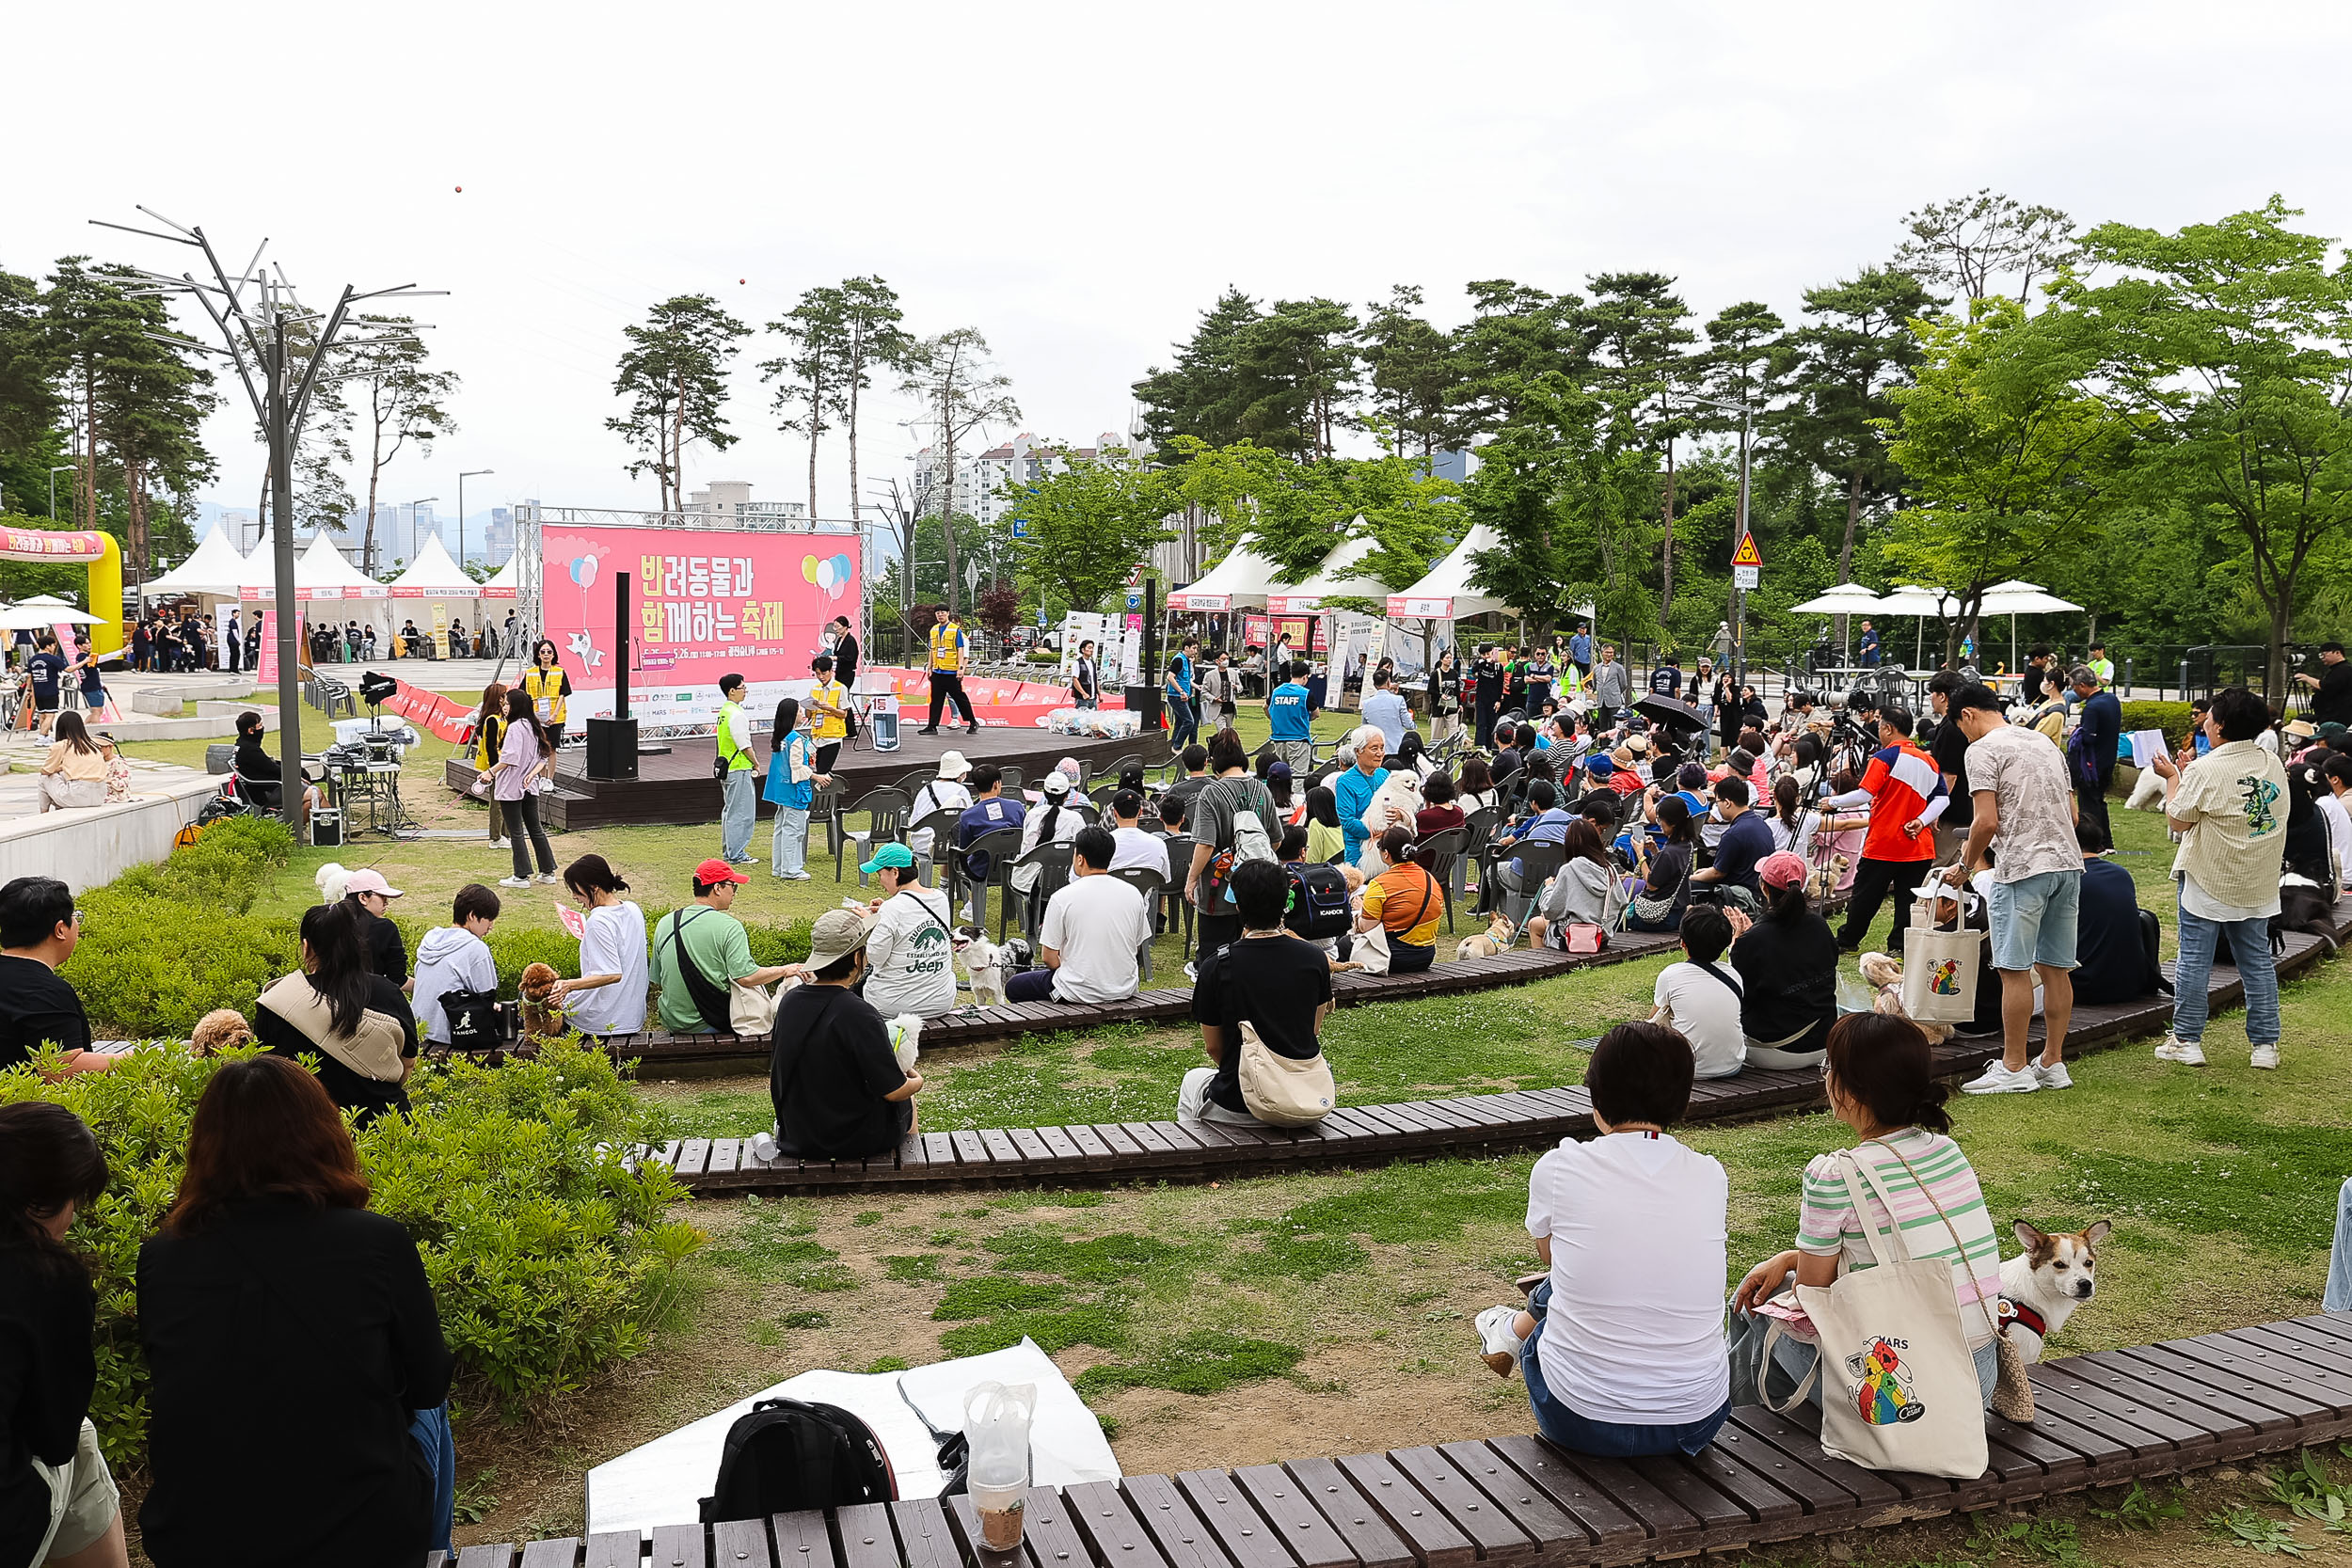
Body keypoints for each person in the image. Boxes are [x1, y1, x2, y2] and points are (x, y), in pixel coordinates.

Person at [136, 1055, 455, 1568]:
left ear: (206, 1147)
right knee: (431, 1412)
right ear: (323, 1132)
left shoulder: (162, 1255)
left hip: (202, 1538)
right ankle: (432, 1556)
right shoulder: (375, 1241)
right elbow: (428, 1383)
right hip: (359, 1534)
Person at [1470, 1021, 1729, 1456]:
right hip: (1696, 1418)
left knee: (1574, 1278)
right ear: (1683, 1098)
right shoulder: (1710, 1174)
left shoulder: (1559, 1167)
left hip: (1582, 1418)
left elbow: (1554, 1260)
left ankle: (1513, 1331)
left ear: (1595, 1095)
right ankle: (1511, 1331)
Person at [1730, 1014, 2005, 1412]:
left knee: (1758, 1298)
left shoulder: (1836, 1174)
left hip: (1910, 1396)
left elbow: (1811, 1296)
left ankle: (1730, 1422)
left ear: (1851, 1091)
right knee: (1774, 1302)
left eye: (1829, 1067)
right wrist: (1789, 1257)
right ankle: (1757, 1418)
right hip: (1976, 1381)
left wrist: (1789, 1266)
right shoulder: (1947, 1151)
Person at [0, 1101, 126, 1568]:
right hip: (9, 1522)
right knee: (82, 1438)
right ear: (38, 1202)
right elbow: (55, 1438)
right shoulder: (46, 1279)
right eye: (75, 1200)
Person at [1946, 682, 2083, 1095]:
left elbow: (1985, 822)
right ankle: (2053, 1062)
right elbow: (2074, 816)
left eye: (1959, 727)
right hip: (2067, 864)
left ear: (1967, 714)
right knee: (2057, 969)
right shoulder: (2045, 743)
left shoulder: (1982, 749)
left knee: (2014, 970)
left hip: (2023, 869)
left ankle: (2014, 1066)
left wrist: (1965, 866)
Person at [2146, 685, 2289, 1070]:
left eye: (2209, 715)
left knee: (2195, 959)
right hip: (2257, 876)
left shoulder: (2207, 768)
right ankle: (2265, 1046)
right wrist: (2187, 775)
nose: (2204, 719)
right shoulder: (2271, 762)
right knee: (2256, 961)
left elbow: (2178, 818)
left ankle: (2187, 1040)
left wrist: (2174, 777)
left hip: (2209, 874)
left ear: (2220, 725)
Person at [1180, 858, 1335, 1125]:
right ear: (1285, 903)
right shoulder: (1314, 958)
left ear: (1238, 905)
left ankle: (1195, 1154)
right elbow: (1313, 1029)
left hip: (1239, 1103)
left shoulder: (1217, 965)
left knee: (1192, 1081)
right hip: (1304, 1097)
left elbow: (1214, 1046)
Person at [768, 910, 924, 1158]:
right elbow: (893, 1090)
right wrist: (915, 1080)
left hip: (797, 1135)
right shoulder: (859, 1013)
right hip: (851, 1140)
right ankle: (911, 1166)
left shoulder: (789, 1002)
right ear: (855, 958)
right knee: (908, 1100)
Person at [255, 901, 418, 1125]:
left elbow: (267, 1072)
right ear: (357, 944)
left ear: (306, 947)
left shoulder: (276, 1001)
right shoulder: (388, 991)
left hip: (308, 1130)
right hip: (388, 1126)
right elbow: (407, 1063)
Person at [1824, 706, 1947, 956]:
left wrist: (1832, 802)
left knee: (1865, 896)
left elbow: (1864, 794)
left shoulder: (1883, 757)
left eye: (1880, 726)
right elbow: (1943, 799)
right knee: (1907, 901)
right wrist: (1922, 821)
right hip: (1919, 844)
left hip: (1884, 843)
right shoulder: (1929, 761)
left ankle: (1848, 941)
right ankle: (1899, 947)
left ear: (1888, 728)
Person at [649, 861, 805, 1034]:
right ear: (717, 888)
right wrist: (784, 970)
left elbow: (657, 978)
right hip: (709, 1022)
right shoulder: (729, 926)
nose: (734, 893)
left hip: (672, 1021)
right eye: (733, 886)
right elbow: (746, 977)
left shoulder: (665, 922)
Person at [1006, 828, 1152, 1002]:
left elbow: (1048, 957)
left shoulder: (1062, 897)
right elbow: (1137, 945)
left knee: (1014, 986)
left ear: (1080, 859)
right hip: (1125, 987)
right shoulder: (1133, 893)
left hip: (1076, 990)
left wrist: (1069, 970)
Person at [1730, 853, 1837, 1068]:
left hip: (1775, 1050)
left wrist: (1735, 945)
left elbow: (1736, 995)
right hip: (1824, 1042)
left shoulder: (1752, 940)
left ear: (1764, 888)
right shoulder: (1820, 926)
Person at [0, 877, 114, 1081]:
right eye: (75, 916)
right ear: (60, 929)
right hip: (18, 1110)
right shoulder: (46, 992)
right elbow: (61, 1069)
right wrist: (139, 1057)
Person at [1185, 728, 1283, 957]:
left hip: (1218, 892)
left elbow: (1205, 845)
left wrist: (1191, 879)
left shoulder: (1211, 793)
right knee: (1255, 957)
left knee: (1216, 957)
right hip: (1258, 892)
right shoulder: (1263, 790)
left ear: (1213, 762)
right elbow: (1276, 841)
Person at [547, 855, 647, 1037]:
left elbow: (612, 974)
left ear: (594, 888)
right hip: (632, 1018)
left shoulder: (599, 920)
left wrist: (568, 985)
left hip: (599, 1021)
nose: (574, 897)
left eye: (576, 891)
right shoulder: (633, 909)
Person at [856, 844, 958, 1018]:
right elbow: (910, 918)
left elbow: (875, 957)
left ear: (895, 872)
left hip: (894, 1005)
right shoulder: (940, 898)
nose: (880, 881)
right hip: (940, 1001)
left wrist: (870, 922)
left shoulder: (892, 908)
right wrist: (884, 914)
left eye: (880, 874)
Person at [1647, 905, 1745, 1079]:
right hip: (1733, 1065)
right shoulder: (1734, 975)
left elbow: (1652, 1024)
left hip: (1687, 1069)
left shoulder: (1671, 975)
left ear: (1683, 943)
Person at [408, 884, 501, 1048]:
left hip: (417, 1030)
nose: (491, 926)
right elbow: (487, 996)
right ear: (472, 915)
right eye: (489, 919)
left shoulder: (431, 939)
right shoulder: (475, 948)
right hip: (452, 1036)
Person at [485, 688, 557, 888]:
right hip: (529, 787)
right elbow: (544, 756)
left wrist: (489, 773)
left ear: (515, 706)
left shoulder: (516, 727)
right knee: (535, 829)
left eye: (507, 704)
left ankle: (521, 876)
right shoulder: (534, 726)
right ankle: (547, 871)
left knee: (516, 831)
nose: (504, 707)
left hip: (512, 786)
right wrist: (533, 775)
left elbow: (509, 758)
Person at [1357, 826, 1442, 973]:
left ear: (1386, 854)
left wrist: (1359, 909)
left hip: (1392, 956)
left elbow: (1366, 927)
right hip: (1426, 955)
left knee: (1345, 945)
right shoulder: (1430, 879)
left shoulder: (1379, 884)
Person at [1524, 819, 1617, 950]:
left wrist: (1549, 887)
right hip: (1601, 937)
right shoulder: (1609, 869)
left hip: (1571, 938)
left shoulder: (1569, 869)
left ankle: (1543, 964)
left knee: (1534, 924)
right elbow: (1621, 902)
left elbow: (1550, 910)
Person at [1010, 771, 1087, 912]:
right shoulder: (1076, 819)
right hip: (1064, 881)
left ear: (1044, 794)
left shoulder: (1032, 815)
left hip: (1028, 881)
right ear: (1067, 796)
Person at [1692, 775, 1772, 903]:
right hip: (1759, 889)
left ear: (1727, 803)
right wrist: (1706, 871)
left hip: (1739, 894)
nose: (1717, 808)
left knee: (1687, 887)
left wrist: (1691, 878)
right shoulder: (1761, 824)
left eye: (1717, 804)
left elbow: (1717, 874)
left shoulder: (1733, 834)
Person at [953, 765, 1026, 900]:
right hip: (1013, 866)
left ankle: (971, 904)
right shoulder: (1017, 807)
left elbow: (965, 849)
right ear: (996, 784)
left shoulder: (968, 816)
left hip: (980, 870)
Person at [2069, 663, 2122, 848]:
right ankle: (2106, 842)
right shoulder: (2111, 699)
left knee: (2089, 805)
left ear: (2082, 685)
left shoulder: (2092, 708)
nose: (2073, 691)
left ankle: (2094, 845)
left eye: (2074, 687)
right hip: (2108, 759)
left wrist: (2077, 733)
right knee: (2099, 802)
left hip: (2091, 765)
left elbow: (2089, 738)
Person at [765, 695, 818, 880]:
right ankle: (791, 869)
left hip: (781, 790)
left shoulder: (781, 737)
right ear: (792, 715)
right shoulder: (795, 739)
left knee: (782, 828)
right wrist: (815, 775)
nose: (803, 713)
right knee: (794, 830)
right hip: (794, 790)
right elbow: (797, 767)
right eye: (800, 710)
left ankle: (780, 867)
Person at [1331, 726, 1396, 867]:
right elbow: (1348, 821)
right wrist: (1376, 832)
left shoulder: (1383, 774)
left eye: (1382, 748)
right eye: (1374, 748)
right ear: (1358, 751)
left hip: (1387, 850)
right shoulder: (1345, 781)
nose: (1380, 753)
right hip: (1360, 853)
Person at [714, 672, 760, 864]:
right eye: (742, 687)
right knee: (741, 813)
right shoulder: (736, 714)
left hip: (727, 768)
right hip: (738, 767)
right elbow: (744, 744)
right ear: (732, 691)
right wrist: (756, 763)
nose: (745, 690)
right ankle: (736, 854)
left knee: (730, 812)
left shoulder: (724, 712)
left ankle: (731, 852)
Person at [908, 750, 976, 876]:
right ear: (960, 773)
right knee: (954, 836)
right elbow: (970, 817)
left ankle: (945, 884)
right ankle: (945, 884)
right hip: (946, 845)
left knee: (947, 833)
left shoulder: (925, 789)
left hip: (920, 843)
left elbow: (914, 819)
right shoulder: (961, 790)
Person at [917, 607, 979, 736]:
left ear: (948, 614)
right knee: (936, 700)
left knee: (959, 698)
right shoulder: (934, 630)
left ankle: (972, 721)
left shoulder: (955, 630)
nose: (940, 615)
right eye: (938, 613)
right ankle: (932, 725)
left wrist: (961, 668)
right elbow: (932, 650)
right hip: (938, 670)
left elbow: (960, 650)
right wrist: (929, 667)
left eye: (943, 613)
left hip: (951, 671)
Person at [37, 711, 106, 813]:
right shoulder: (93, 746)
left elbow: (45, 771)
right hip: (99, 796)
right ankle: (58, 807)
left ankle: (43, 814)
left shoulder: (62, 745)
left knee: (44, 779)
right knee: (63, 775)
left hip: (77, 796)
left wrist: (58, 768)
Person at [469, 685, 505, 843]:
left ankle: (505, 834)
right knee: (497, 803)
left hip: (502, 765)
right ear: (499, 699)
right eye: (504, 696)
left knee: (504, 802)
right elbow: (491, 747)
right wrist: (494, 770)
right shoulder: (491, 720)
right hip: (496, 766)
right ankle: (496, 838)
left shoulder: (501, 717)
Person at [2298, 641, 2352, 729]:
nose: (2322, 658)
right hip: (2329, 715)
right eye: (2321, 655)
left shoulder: (2344, 669)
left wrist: (2307, 678)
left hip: (2336, 718)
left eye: (2324, 654)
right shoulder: (2336, 670)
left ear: (2337, 653)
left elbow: (2327, 686)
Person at [24, 636, 66, 736]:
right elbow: (68, 669)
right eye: (53, 645)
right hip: (50, 691)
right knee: (50, 715)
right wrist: (84, 662)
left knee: (42, 715)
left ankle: (45, 736)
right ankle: (42, 736)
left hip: (38, 692)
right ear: (48, 646)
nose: (53, 648)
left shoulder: (33, 659)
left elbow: (30, 677)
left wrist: (29, 690)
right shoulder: (53, 659)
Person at [1163, 641, 1200, 752]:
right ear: (1186, 648)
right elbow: (1170, 677)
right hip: (1176, 696)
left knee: (1180, 722)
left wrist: (1196, 686)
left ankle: (1173, 747)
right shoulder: (1179, 659)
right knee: (1189, 721)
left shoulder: (1186, 660)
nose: (1195, 651)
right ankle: (1177, 747)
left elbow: (1186, 679)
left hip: (1183, 696)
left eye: (1196, 648)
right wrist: (1181, 691)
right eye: (1193, 648)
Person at [1360, 671, 1410, 751]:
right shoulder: (1398, 700)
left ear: (1374, 685)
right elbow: (1409, 725)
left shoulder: (1366, 703)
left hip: (1376, 749)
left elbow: (1364, 728)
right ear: (1388, 682)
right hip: (1397, 747)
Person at [1427, 649, 1462, 745]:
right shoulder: (1436, 674)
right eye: (1447, 658)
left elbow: (1457, 690)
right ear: (1441, 660)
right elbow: (1430, 690)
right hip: (1439, 707)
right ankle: (1435, 752)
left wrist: (1459, 704)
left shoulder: (1454, 673)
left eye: (1450, 658)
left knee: (1453, 731)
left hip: (1452, 707)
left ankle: (1451, 752)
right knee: (1436, 734)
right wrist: (1440, 695)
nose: (1449, 660)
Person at [1592, 643, 1630, 714]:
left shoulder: (1619, 667)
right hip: (1601, 701)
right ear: (1602, 653)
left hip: (1614, 701)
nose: (1609, 654)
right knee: (1602, 724)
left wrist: (1615, 692)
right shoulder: (1596, 668)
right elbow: (1594, 683)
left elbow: (1624, 684)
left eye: (1611, 652)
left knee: (1614, 723)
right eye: (1607, 652)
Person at [1071, 638, 1101, 709]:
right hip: (1082, 698)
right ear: (1083, 650)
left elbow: (1095, 679)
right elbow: (1075, 680)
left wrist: (1099, 694)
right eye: (1089, 648)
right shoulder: (1077, 663)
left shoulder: (1092, 663)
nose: (1091, 650)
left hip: (1093, 698)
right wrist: (1083, 693)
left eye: (1092, 648)